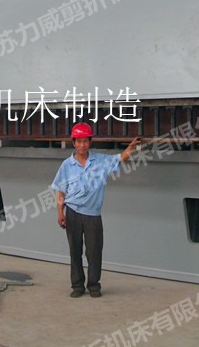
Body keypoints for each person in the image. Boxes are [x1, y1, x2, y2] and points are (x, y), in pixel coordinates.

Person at [51, 122, 141, 298]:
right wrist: (60, 213)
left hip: (93, 215)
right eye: (79, 141)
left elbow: (120, 158)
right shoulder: (67, 165)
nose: (82, 145)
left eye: (85, 141)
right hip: (73, 212)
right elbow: (60, 190)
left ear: (90, 142)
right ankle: (77, 286)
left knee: (94, 252)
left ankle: (94, 286)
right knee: (75, 251)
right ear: (73, 142)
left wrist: (131, 147)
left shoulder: (100, 161)